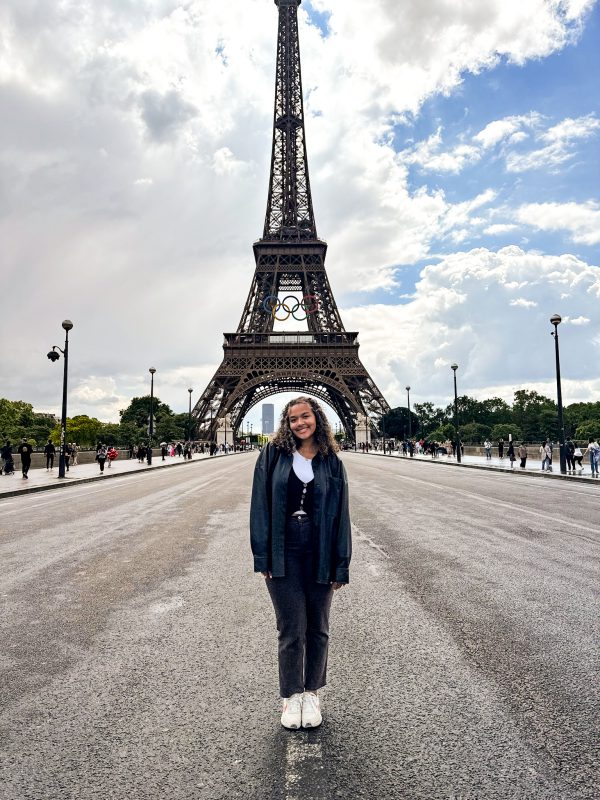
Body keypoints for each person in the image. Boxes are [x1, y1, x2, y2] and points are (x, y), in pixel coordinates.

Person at [250, 396, 351, 731]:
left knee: (318, 628)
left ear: (316, 418)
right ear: (287, 423)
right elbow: (260, 504)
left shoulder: (331, 460)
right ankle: (291, 694)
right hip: (284, 549)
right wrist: (262, 555)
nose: (299, 423)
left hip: (319, 550)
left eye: (305, 416)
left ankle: (312, 692)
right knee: (291, 628)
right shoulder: (272, 454)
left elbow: (341, 514)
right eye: (293, 419)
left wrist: (341, 562)